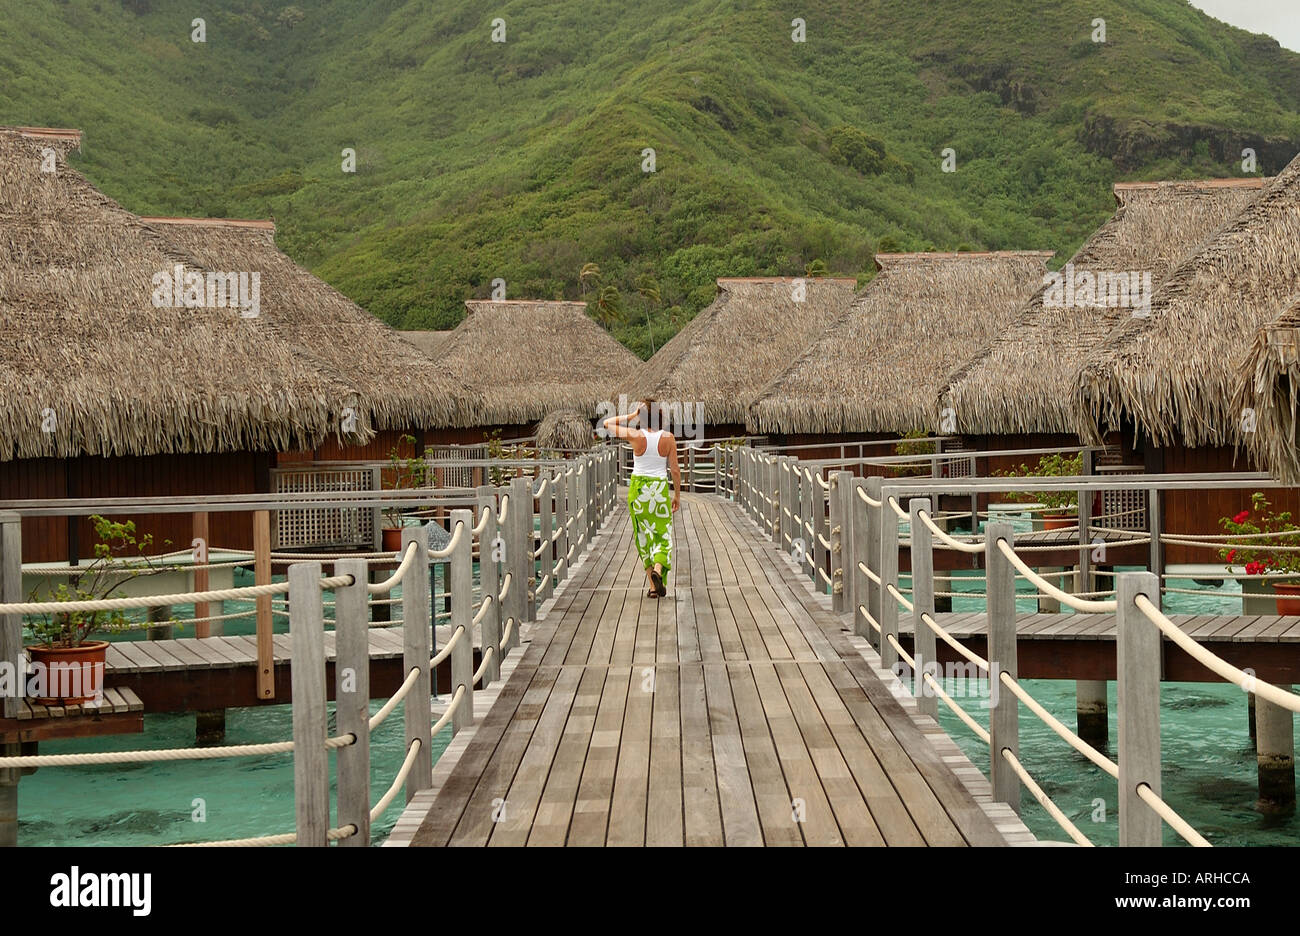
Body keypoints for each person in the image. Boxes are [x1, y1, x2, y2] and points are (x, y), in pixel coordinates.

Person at [603, 399, 681, 597]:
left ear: (642, 418)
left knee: (643, 537)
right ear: (660, 419)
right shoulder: (668, 438)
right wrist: (677, 495)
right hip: (658, 490)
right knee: (662, 535)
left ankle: (654, 588)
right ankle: (657, 570)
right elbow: (675, 470)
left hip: (638, 491)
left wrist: (630, 416)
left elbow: (607, 424)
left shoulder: (635, 435)